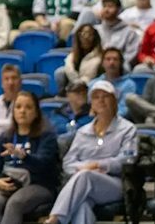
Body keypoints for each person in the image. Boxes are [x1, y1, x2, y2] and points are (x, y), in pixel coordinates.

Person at [44, 80, 136, 224]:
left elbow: (128, 159)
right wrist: (84, 168)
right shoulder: (83, 132)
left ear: (114, 100)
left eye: (105, 96)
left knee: (86, 176)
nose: (101, 100)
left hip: (116, 183)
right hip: (83, 183)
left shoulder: (127, 129)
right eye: (96, 97)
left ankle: (55, 219)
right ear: (91, 103)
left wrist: (98, 165)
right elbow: (68, 163)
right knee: (82, 205)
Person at [0, 91, 59, 224]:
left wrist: (23, 155)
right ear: (13, 112)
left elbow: (44, 165)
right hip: (10, 184)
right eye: (18, 107)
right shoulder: (5, 137)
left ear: (36, 113)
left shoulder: (46, 136)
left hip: (39, 184)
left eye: (28, 107)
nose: (22, 111)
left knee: (16, 202)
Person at [57, 25, 103, 92]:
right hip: (71, 89)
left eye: (90, 34)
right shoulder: (72, 57)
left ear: (95, 37)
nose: (86, 37)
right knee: (59, 72)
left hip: (91, 89)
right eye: (83, 34)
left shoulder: (101, 57)